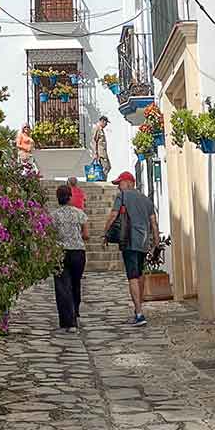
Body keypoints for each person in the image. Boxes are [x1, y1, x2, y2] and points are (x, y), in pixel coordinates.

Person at [104, 170, 159, 327]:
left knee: (132, 276)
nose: (118, 188)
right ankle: (138, 310)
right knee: (139, 274)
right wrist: (155, 241)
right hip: (143, 242)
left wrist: (105, 233)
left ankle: (139, 313)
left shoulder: (123, 196)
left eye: (119, 184)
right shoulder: (146, 200)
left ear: (129, 183)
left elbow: (113, 215)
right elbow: (153, 223)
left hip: (129, 240)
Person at [49, 182, 88, 331]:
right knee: (75, 283)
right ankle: (75, 311)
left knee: (62, 286)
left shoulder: (53, 216)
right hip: (78, 252)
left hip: (60, 252)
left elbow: (50, 236)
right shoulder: (79, 213)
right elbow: (86, 235)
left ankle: (67, 320)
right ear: (70, 197)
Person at [90, 114, 110, 179]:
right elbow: (94, 141)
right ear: (102, 121)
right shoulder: (97, 128)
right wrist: (95, 153)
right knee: (106, 167)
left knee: (106, 167)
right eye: (106, 123)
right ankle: (102, 181)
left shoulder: (101, 129)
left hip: (103, 152)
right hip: (100, 153)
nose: (106, 125)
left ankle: (102, 180)